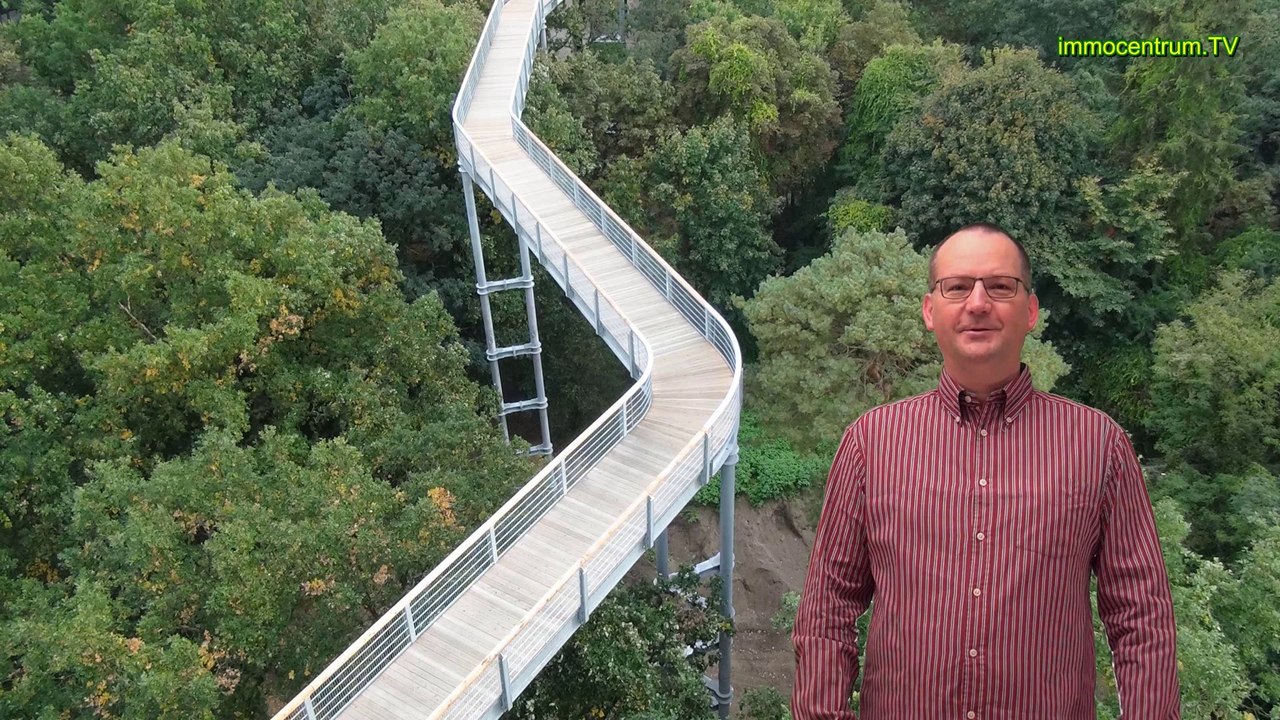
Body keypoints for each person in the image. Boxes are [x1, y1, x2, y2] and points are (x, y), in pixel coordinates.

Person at [791, 223, 1180, 719]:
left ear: (1031, 310)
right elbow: (829, 607)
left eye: (1000, 286)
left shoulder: (1098, 445)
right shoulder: (872, 442)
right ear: (930, 311)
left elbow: (1142, 617)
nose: (977, 303)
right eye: (957, 287)